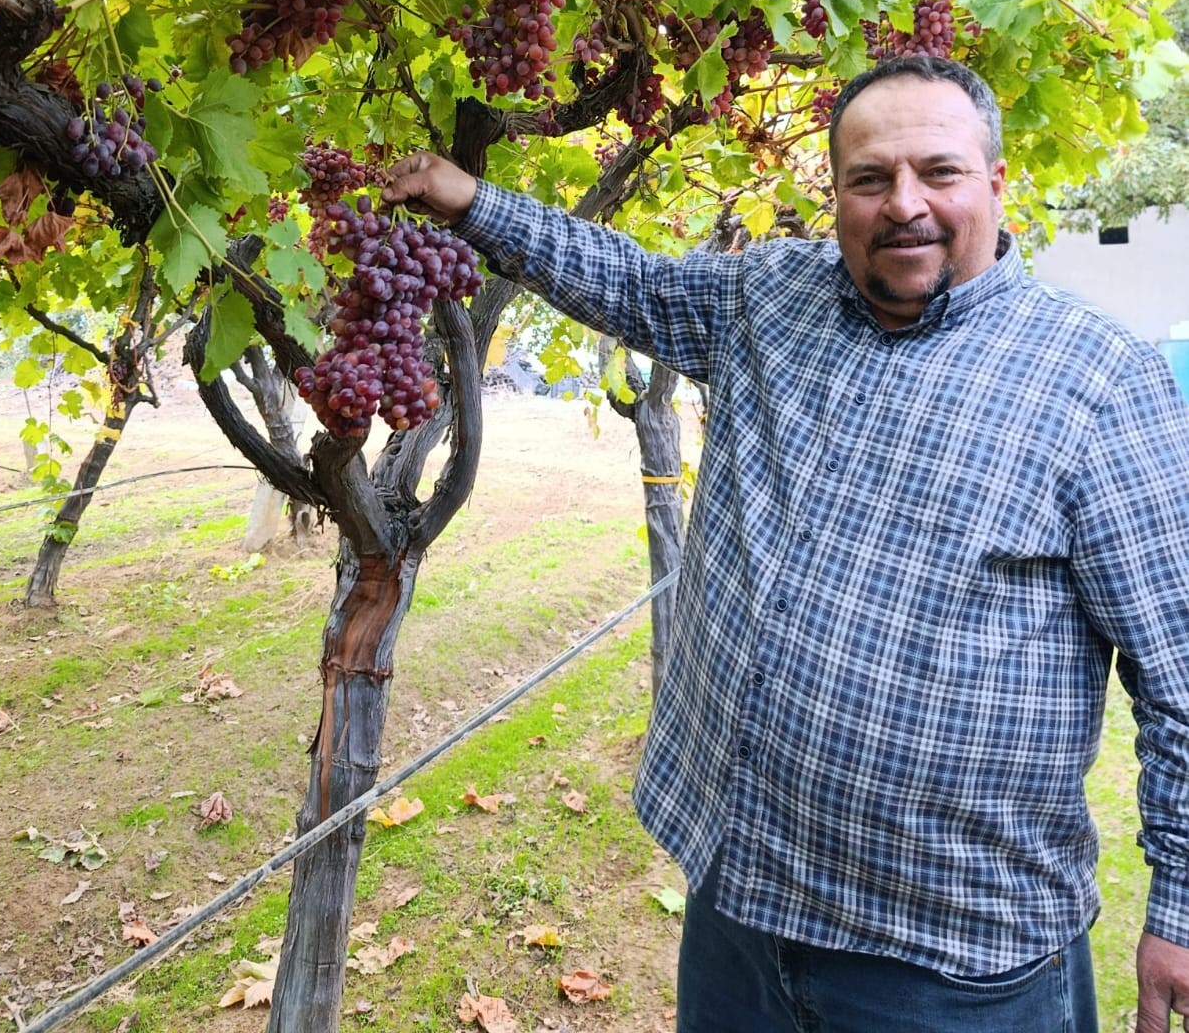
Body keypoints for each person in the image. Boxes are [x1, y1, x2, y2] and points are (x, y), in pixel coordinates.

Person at [381, 56, 1189, 1033]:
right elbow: (623, 279)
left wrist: (1178, 913)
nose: (904, 205)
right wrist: (466, 200)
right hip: (740, 908)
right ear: (836, 193)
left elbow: (1177, 671)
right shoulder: (768, 299)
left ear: (995, 184)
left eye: (938, 171)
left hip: (948, 969)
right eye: (868, 178)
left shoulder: (1099, 384)